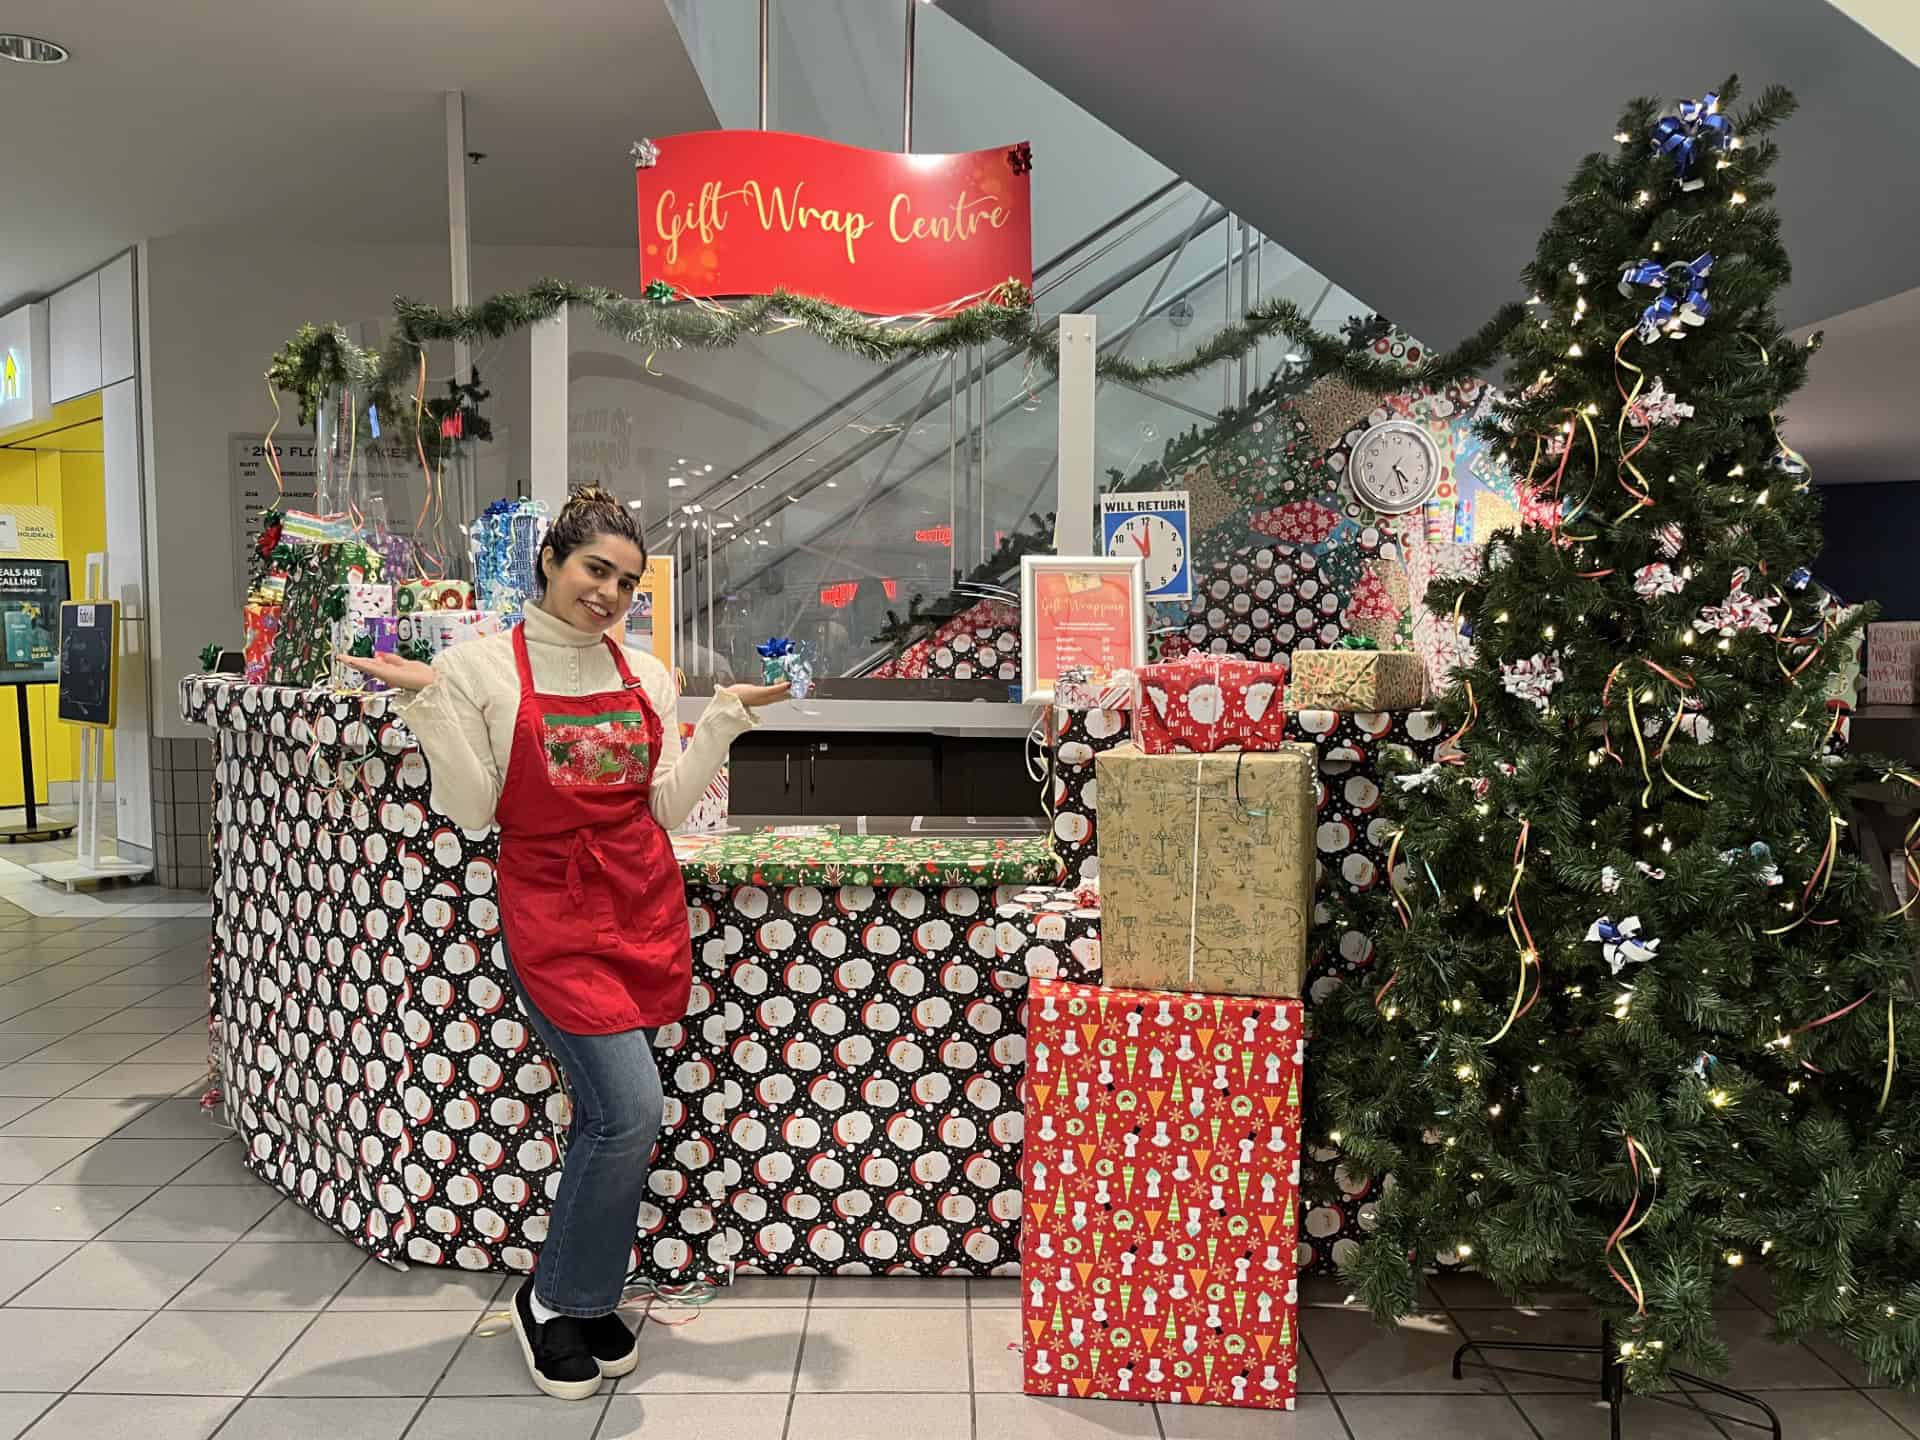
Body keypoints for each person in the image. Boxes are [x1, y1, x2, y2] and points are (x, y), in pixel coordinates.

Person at [341, 487, 786, 1400]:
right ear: (550, 561)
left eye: (626, 582)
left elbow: (666, 806)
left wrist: (725, 719)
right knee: (630, 1111)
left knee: (606, 1119)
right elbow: (474, 808)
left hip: (638, 904)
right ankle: (550, 1300)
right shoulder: (477, 668)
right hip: (549, 910)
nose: (609, 594)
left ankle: (584, 1296)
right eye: (595, 570)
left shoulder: (648, 674)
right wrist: (430, 707)